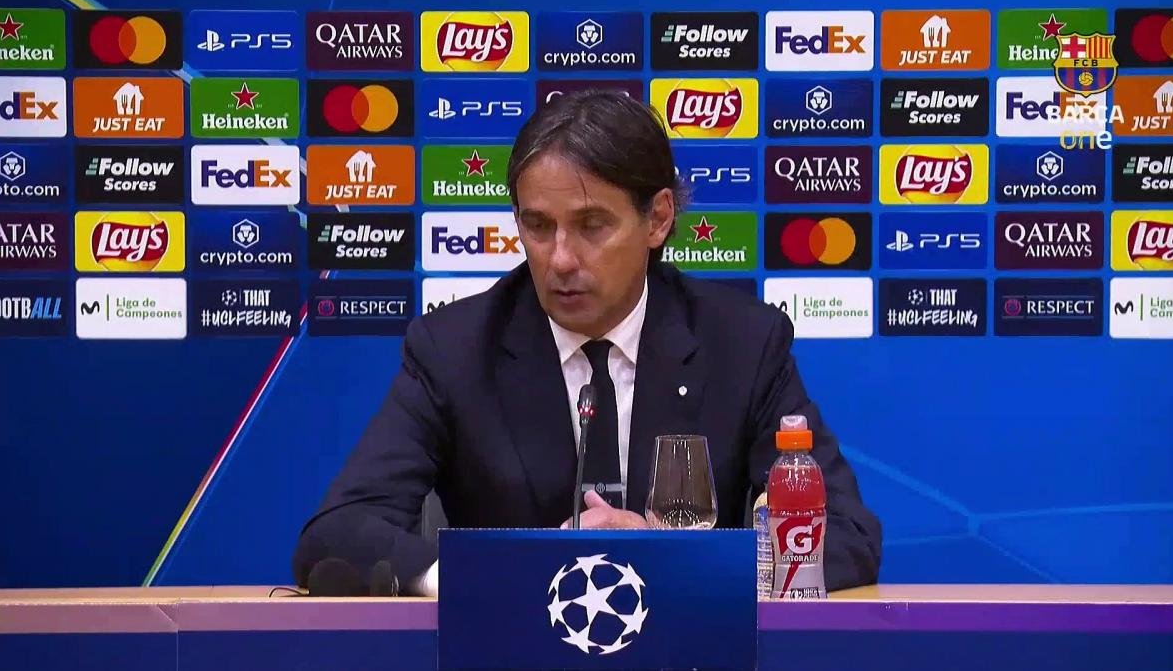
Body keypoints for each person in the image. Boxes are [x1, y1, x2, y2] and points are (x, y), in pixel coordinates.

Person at [292, 90, 882, 595]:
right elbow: (338, 532)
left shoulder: (742, 344)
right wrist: (495, 577)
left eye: (591, 225)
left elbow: (846, 536)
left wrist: (675, 562)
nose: (560, 260)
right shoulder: (454, 350)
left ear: (657, 219)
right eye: (537, 226)